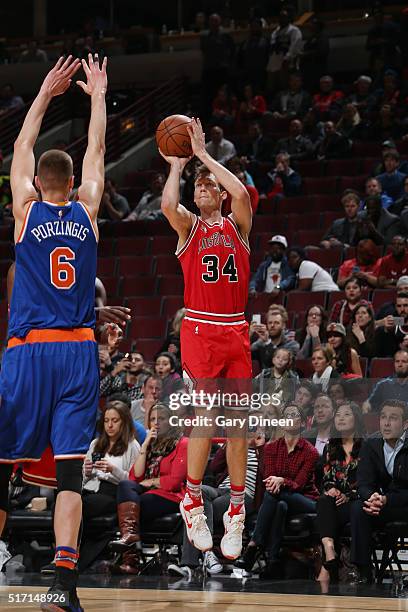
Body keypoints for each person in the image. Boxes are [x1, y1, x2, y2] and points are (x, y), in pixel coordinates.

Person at [0, 54, 107, 611]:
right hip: (79, 352)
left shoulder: (25, 211)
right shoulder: (88, 211)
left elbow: (20, 147)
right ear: (73, 183)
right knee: (70, 474)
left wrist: (45, 93)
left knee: (1, 462)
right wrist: (99, 96)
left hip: (30, 351)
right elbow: (97, 151)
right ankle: (62, 587)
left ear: (40, 183)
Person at [160, 117, 252, 560]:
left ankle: (236, 511)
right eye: (197, 188)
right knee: (206, 411)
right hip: (199, 327)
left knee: (238, 427)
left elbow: (241, 193)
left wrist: (203, 157)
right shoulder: (190, 229)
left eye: (206, 187)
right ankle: (193, 500)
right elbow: (165, 208)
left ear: (218, 193)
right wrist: (177, 168)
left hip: (235, 328)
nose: (201, 191)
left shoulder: (238, 224)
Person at [235, 402, 318, 579]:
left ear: (303, 423)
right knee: (279, 504)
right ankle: (273, 562)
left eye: (293, 415)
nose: (288, 419)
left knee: (275, 494)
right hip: (278, 497)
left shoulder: (310, 452)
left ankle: (253, 545)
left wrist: (282, 481)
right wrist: (277, 482)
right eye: (285, 415)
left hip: (305, 500)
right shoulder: (271, 448)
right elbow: (269, 477)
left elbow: (299, 484)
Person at [169, 427, 265, 578]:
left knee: (200, 510)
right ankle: (205, 556)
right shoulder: (235, 446)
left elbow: (268, 472)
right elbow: (215, 467)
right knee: (197, 494)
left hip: (245, 496)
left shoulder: (267, 448)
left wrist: (260, 448)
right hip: (222, 489)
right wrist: (230, 444)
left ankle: (193, 562)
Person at [109, 404, 188, 574]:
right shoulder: (150, 444)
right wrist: (144, 445)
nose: (156, 423)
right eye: (152, 419)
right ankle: (130, 545)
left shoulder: (182, 443)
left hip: (171, 497)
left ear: (172, 420)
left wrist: (151, 481)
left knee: (129, 507)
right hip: (149, 494)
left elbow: (174, 482)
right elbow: (134, 477)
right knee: (125, 486)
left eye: (161, 418)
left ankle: (131, 559)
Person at [350, 399, 408, 584]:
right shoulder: (371, 444)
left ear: (405, 424)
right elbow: (364, 483)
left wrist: (386, 500)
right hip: (382, 503)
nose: (386, 423)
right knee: (360, 508)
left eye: (393, 418)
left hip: (403, 505)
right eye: (383, 417)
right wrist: (372, 497)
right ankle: (364, 571)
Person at [80, 400, 140, 570]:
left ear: (124, 422)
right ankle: (62, 552)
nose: (110, 425)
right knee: (62, 504)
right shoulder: (95, 444)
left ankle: (76, 556)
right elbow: (84, 479)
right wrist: (87, 471)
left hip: (114, 493)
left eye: (115, 421)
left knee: (79, 507)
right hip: (91, 489)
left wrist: (113, 470)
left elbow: (133, 482)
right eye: (106, 421)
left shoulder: (132, 446)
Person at [316, 401, 364, 582]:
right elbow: (327, 478)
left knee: (328, 509)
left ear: (356, 419)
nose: (341, 418)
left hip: (356, 502)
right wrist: (332, 489)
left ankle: (327, 568)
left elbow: (368, 481)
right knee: (323, 501)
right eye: (338, 415)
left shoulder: (367, 447)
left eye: (346, 414)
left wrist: (348, 495)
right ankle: (330, 551)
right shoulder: (330, 447)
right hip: (333, 503)